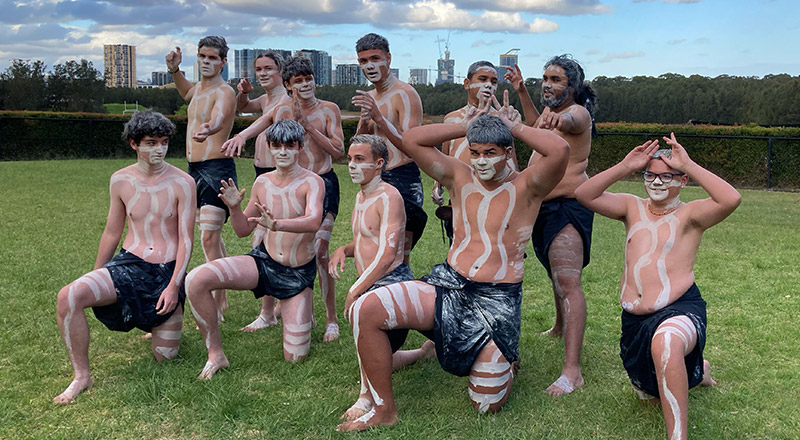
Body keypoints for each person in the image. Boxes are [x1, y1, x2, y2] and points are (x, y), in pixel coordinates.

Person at [336, 97, 570, 432]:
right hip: (449, 285)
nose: (481, 161)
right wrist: (465, 126)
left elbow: (559, 150)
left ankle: (502, 357)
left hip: (496, 300)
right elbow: (412, 140)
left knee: (485, 405)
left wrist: (514, 126)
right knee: (366, 309)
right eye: (475, 152)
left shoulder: (529, 186)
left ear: (507, 152)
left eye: (490, 153)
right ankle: (384, 409)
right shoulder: (459, 176)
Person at [574, 133, 739, 440]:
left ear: (682, 181)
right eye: (650, 175)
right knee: (650, 396)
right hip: (635, 321)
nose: (657, 182)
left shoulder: (691, 215)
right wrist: (625, 166)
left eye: (667, 176)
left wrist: (688, 164)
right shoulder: (630, 206)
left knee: (666, 344)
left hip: (679, 308)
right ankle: (699, 370)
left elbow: (731, 199)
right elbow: (584, 194)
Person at [53, 111, 195, 404]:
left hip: (165, 272)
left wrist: (173, 287)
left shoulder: (183, 182)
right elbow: (111, 232)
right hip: (130, 263)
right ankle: (82, 376)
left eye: (164, 142)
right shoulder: (120, 180)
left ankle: (160, 320)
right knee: (68, 296)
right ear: (134, 143)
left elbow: (186, 239)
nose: (159, 149)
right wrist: (95, 273)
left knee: (165, 357)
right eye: (151, 142)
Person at [185, 119, 325, 379]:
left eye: (290, 146)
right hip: (264, 262)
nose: (283, 152)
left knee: (295, 357)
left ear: (300, 147)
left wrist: (277, 224)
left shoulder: (313, 182)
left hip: (296, 273)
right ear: (269, 147)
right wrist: (234, 208)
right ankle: (216, 354)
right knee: (196, 279)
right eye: (277, 146)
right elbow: (242, 230)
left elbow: (314, 221)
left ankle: (300, 309)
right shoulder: (262, 182)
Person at [329, 134, 436, 421]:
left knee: (362, 323)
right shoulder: (361, 196)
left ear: (378, 164)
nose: (352, 166)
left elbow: (388, 254)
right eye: (350, 159)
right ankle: (424, 352)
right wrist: (343, 250)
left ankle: (366, 397)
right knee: (378, 356)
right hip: (370, 281)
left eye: (359, 159)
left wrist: (355, 290)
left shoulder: (389, 196)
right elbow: (366, 240)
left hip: (391, 281)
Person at [525, 54, 598, 396]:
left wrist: (560, 117)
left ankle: (572, 372)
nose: (547, 85)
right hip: (541, 206)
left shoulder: (578, 113)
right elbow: (535, 128)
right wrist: (520, 91)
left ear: (573, 86)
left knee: (568, 281)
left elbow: (569, 122)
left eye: (556, 80)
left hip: (568, 206)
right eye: (545, 79)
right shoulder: (548, 113)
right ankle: (559, 325)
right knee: (554, 274)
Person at [165, 36, 236, 322]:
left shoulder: (225, 91)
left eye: (212, 58)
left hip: (217, 168)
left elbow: (220, 116)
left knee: (208, 237)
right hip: (193, 169)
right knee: (210, 236)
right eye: (202, 56)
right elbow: (185, 93)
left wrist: (211, 128)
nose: (206, 62)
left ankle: (216, 304)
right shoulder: (197, 90)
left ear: (223, 62)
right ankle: (222, 297)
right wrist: (174, 70)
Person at [431, 61, 538, 242]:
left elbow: (512, 163)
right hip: (460, 201)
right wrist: (437, 184)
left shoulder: (503, 120)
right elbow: (445, 157)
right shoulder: (452, 119)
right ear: (467, 83)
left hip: (496, 201)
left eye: (493, 81)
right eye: (482, 79)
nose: (488, 85)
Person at [352, 33, 426, 263]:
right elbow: (359, 145)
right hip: (375, 179)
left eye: (375, 58)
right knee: (371, 248)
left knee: (396, 256)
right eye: (363, 61)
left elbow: (412, 146)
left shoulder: (405, 94)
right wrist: (365, 122)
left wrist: (379, 118)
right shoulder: (370, 96)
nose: (369, 66)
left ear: (388, 59)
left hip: (402, 177)